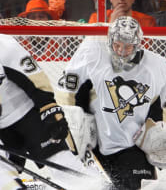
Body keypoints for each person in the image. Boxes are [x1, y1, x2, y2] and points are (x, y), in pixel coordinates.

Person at [55, 16, 166, 189]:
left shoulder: (158, 66)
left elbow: (163, 108)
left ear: (138, 45)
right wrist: (72, 130)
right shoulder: (92, 52)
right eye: (117, 45)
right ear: (109, 41)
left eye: (128, 46)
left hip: (133, 146)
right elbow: (67, 93)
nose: (122, 51)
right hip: (95, 145)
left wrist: (159, 132)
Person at [0, 34, 107, 189]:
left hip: (28, 115)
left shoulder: (4, 45)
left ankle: (96, 187)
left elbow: (35, 78)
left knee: (63, 164)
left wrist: (49, 110)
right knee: (3, 175)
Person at [88, 0, 156, 27]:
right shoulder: (97, 18)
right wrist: (111, 24)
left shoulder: (147, 21)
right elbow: (94, 46)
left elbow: (146, 49)